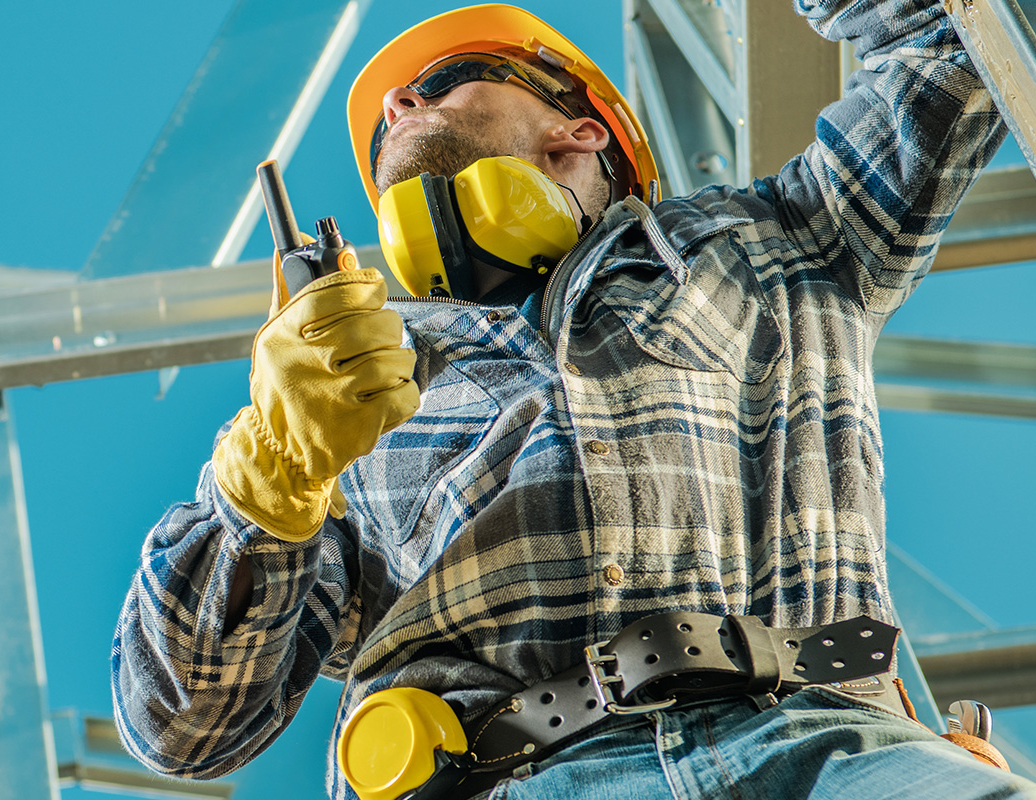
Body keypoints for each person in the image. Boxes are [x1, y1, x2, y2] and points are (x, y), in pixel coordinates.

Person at [110, 1, 1030, 797]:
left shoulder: (787, 240)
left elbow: (955, 42)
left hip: (827, 750)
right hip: (515, 780)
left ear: (579, 129)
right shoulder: (357, 404)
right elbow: (184, 725)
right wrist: (272, 469)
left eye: (445, 79)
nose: (398, 102)